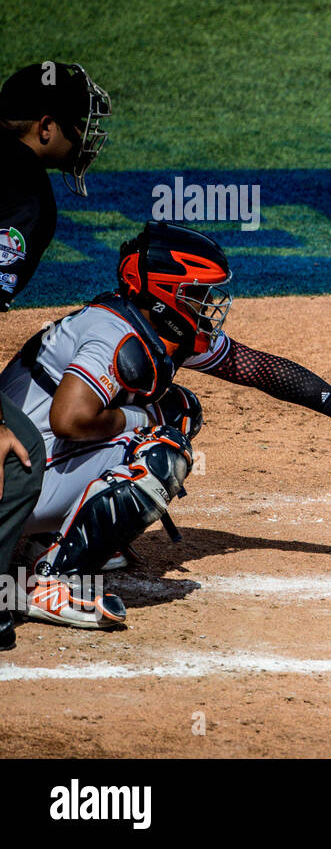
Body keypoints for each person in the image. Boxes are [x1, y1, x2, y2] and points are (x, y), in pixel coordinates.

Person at [2, 221, 331, 630]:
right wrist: (144, 416)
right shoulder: (112, 333)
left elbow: (254, 367)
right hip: (14, 482)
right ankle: (50, 581)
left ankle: (46, 541)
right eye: (197, 294)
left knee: (179, 410)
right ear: (165, 294)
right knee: (160, 452)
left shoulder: (154, 328)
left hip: (31, 469)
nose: (209, 304)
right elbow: (69, 419)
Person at [0, 61, 112, 649]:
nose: (84, 138)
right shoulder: (26, 193)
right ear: (45, 128)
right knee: (16, 466)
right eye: (74, 125)